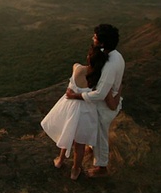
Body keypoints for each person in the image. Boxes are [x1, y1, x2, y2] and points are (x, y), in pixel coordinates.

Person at [41, 45, 120, 180]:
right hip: (86, 113)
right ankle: (75, 170)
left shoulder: (78, 69)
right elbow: (108, 99)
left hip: (70, 110)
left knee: (67, 133)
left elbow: (75, 64)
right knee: (80, 144)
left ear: (88, 58)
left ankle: (60, 160)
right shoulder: (100, 80)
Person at [67, 23, 124, 178]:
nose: (93, 38)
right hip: (109, 100)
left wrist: (76, 96)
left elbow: (100, 94)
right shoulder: (115, 55)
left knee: (100, 136)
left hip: (105, 107)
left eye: (95, 37)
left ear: (102, 43)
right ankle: (91, 147)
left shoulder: (110, 65)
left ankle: (101, 167)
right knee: (95, 131)